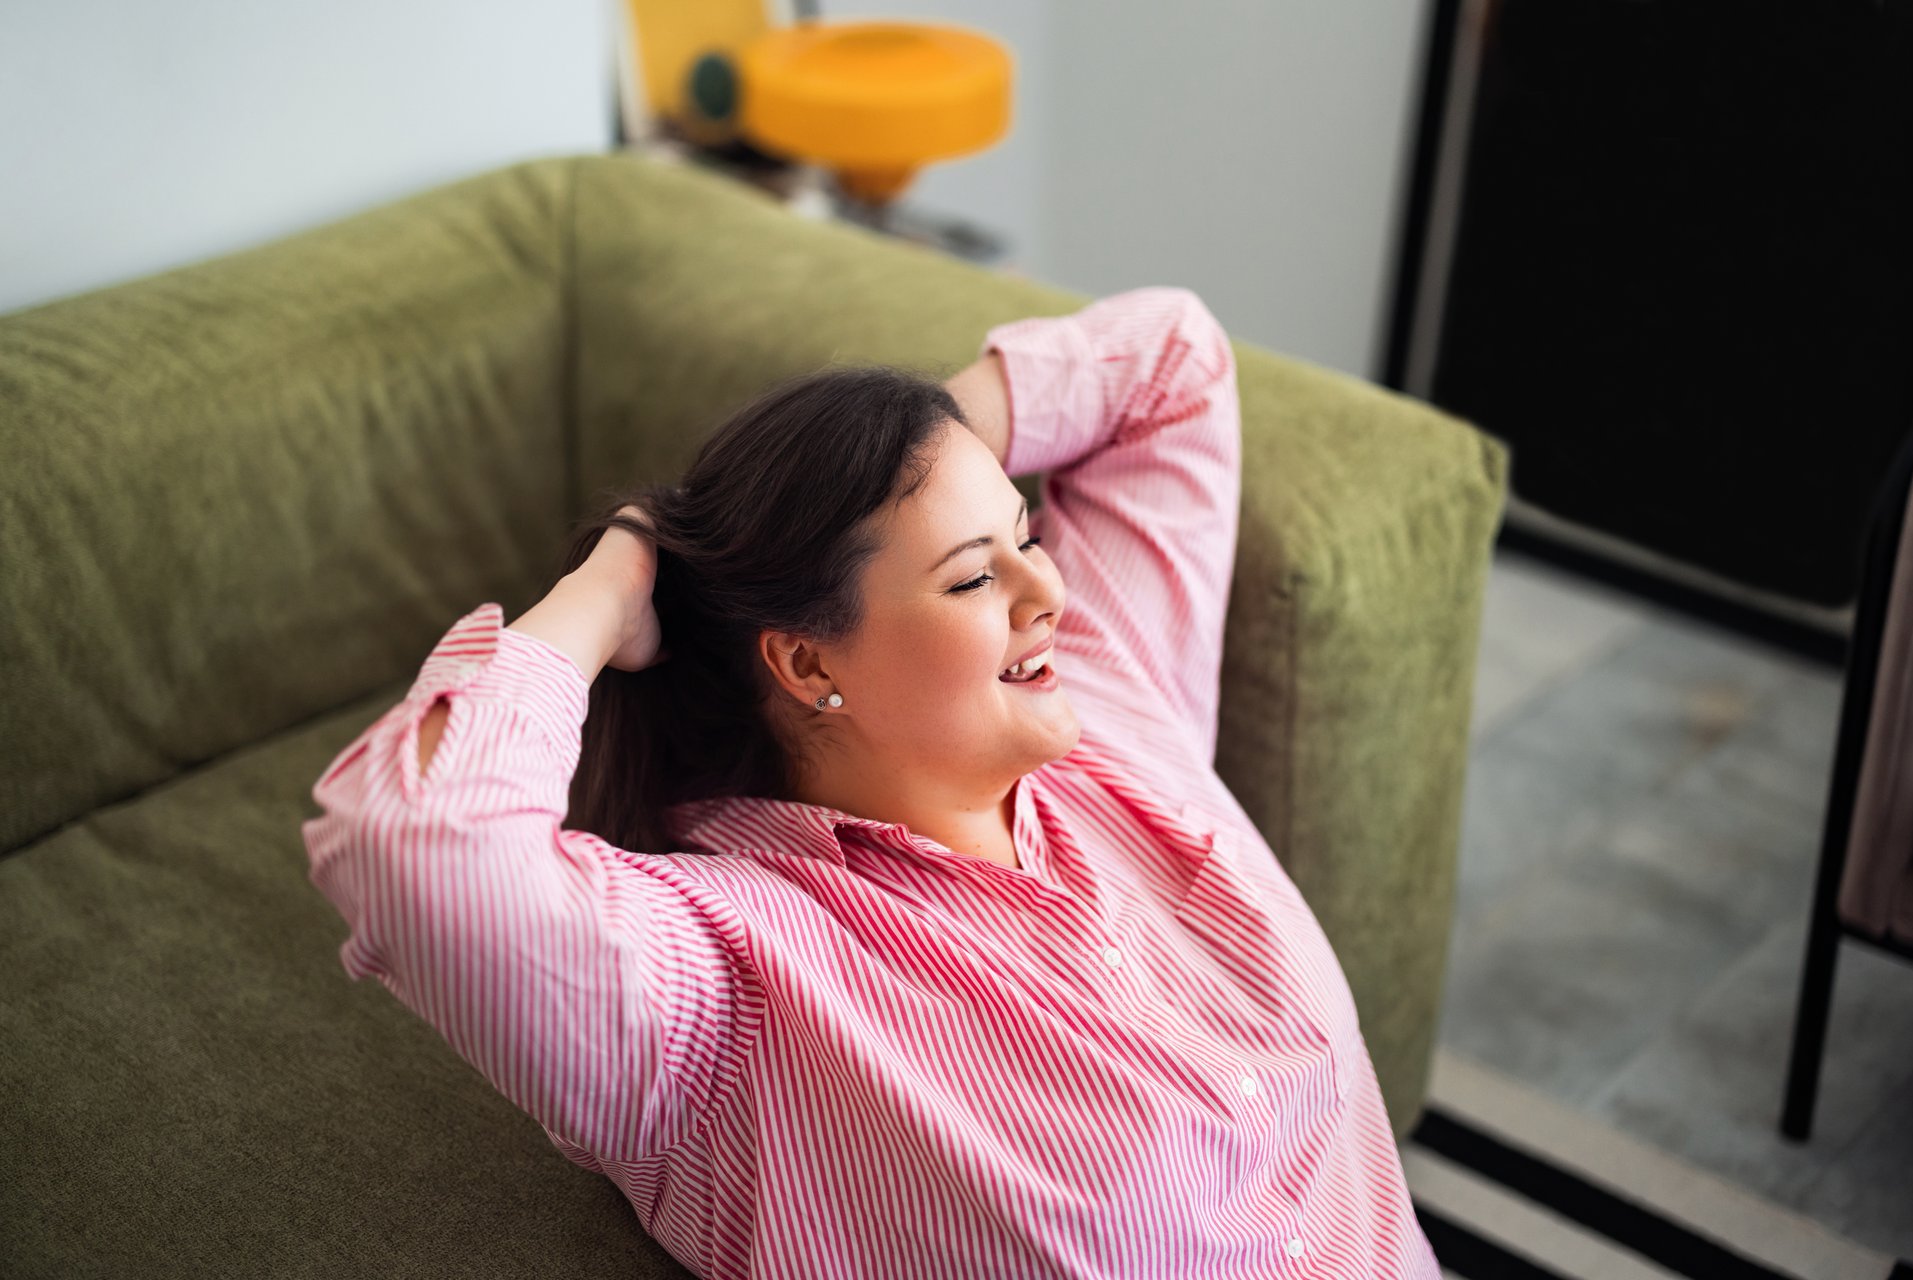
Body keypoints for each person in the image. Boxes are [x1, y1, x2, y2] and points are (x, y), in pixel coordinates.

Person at [301, 286, 1440, 1278]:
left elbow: (1172, 361)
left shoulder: (1110, 705)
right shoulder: (728, 986)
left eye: (1026, 534)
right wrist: (623, 569)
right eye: (969, 579)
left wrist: (919, 446)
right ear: (806, 661)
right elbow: (415, 844)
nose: (1047, 595)